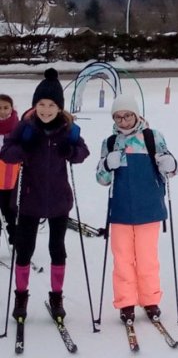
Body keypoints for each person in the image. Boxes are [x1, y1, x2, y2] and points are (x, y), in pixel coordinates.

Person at [0, 68, 90, 321]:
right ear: (34, 105)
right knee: (24, 249)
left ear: (59, 108)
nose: (46, 110)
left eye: (51, 105)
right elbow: (6, 153)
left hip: (59, 200)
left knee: (57, 249)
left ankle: (56, 296)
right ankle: (21, 296)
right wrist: (23, 150)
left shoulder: (68, 129)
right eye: (41, 104)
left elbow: (83, 152)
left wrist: (70, 151)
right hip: (30, 199)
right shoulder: (26, 127)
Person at [96, 93, 178, 323]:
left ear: (136, 114)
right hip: (121, 210)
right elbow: (102, 179)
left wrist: (170, 164)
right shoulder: (110, 143)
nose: (123, 121)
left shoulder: (152, 137)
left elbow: (169, 169)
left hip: (149, 208)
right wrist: (107, 164)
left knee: (147, 258)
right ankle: (126, 302)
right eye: (118, 117)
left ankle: (150, 300)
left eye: (128, 116)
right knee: (122, 259)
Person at [0, 94, 20, 245]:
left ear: (11, 108)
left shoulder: (17, 127)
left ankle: (16, 241)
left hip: (11, 176)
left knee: (10, 210)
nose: (2, 111)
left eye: (6, 107)